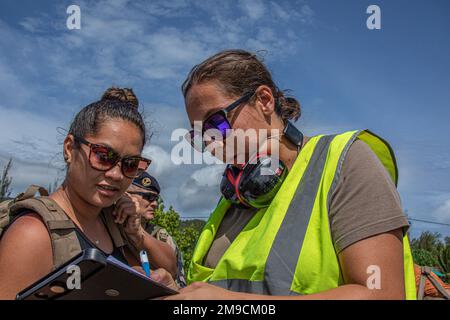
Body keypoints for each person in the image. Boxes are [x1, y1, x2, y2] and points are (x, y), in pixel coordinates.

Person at [155, 49, 417, 300]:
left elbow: (382, 294)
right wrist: (180, 292)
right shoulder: (233, 201)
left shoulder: (345, 161)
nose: (210, 143)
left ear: (264, 100)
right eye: (199, 135)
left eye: (216, 124)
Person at [0, 87, 177, 299]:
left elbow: (171, 268)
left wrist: (136, 232)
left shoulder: (114, 221)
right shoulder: (33, 234)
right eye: (103, 156)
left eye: (130, 164)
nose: (116, 174)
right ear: (69, 148)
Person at [127, 172, 187, 287]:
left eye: (156, 198)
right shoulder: (108, 225)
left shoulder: (162, 235)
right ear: (128, 195)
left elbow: (178, 281)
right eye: (148, 197)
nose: (154, 204)